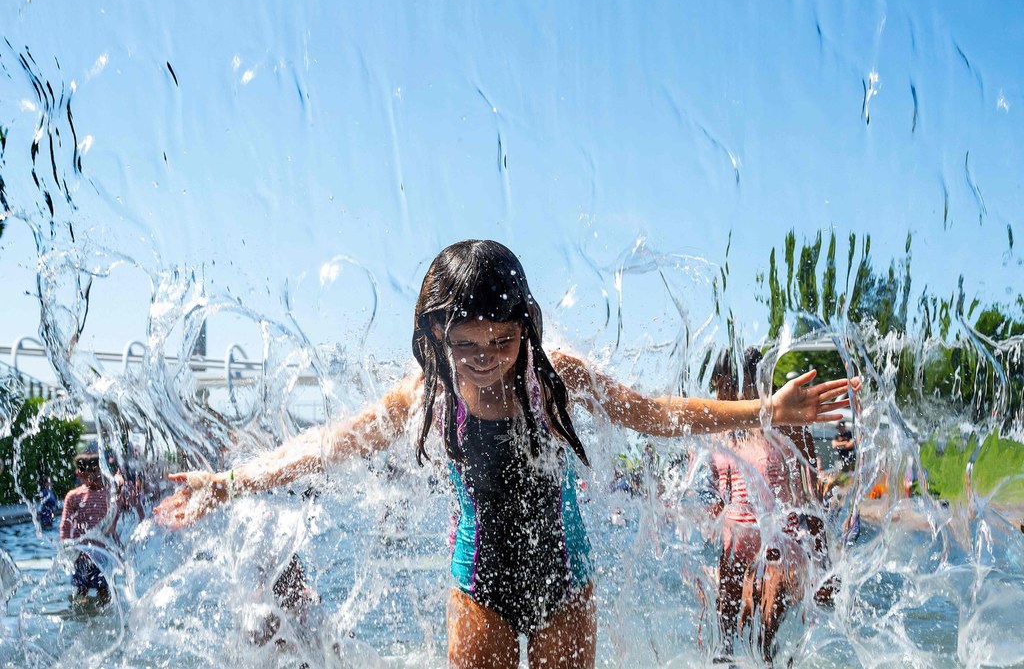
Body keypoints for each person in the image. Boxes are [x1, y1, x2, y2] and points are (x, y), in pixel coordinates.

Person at [155, 240, 854, 669]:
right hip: (477, 587)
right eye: (467, 345)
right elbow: (329, 442)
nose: (485, 361)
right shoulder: (426, 394)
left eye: (502, 341)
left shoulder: (556, 378)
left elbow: (658, 413)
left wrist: (764, 411)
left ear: (526, 327)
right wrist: (231, 479)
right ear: (435, 334)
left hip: (564, 583)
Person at [708, 348, 834, 665]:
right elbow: (720, 493)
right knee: (722, 642)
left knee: (767, 629)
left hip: (780, 541)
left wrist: (825, 565)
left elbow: (812, 498)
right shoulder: (719, 428)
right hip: (735, 544)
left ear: (744, 381)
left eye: (721, 383)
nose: (717, 393)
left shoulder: (786, 422)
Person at [60, 451, 113, 605]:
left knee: (104, 588)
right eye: (93, 472)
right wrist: (66, 547)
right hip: (81, 553)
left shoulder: (108, 493)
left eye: (99, 472)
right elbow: (65, 524)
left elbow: (114, 520)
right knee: (80, 588)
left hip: (103, 553)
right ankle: (81, 615)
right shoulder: (74, 496)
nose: (97, 476)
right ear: (81, 474)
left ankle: (103, 614)